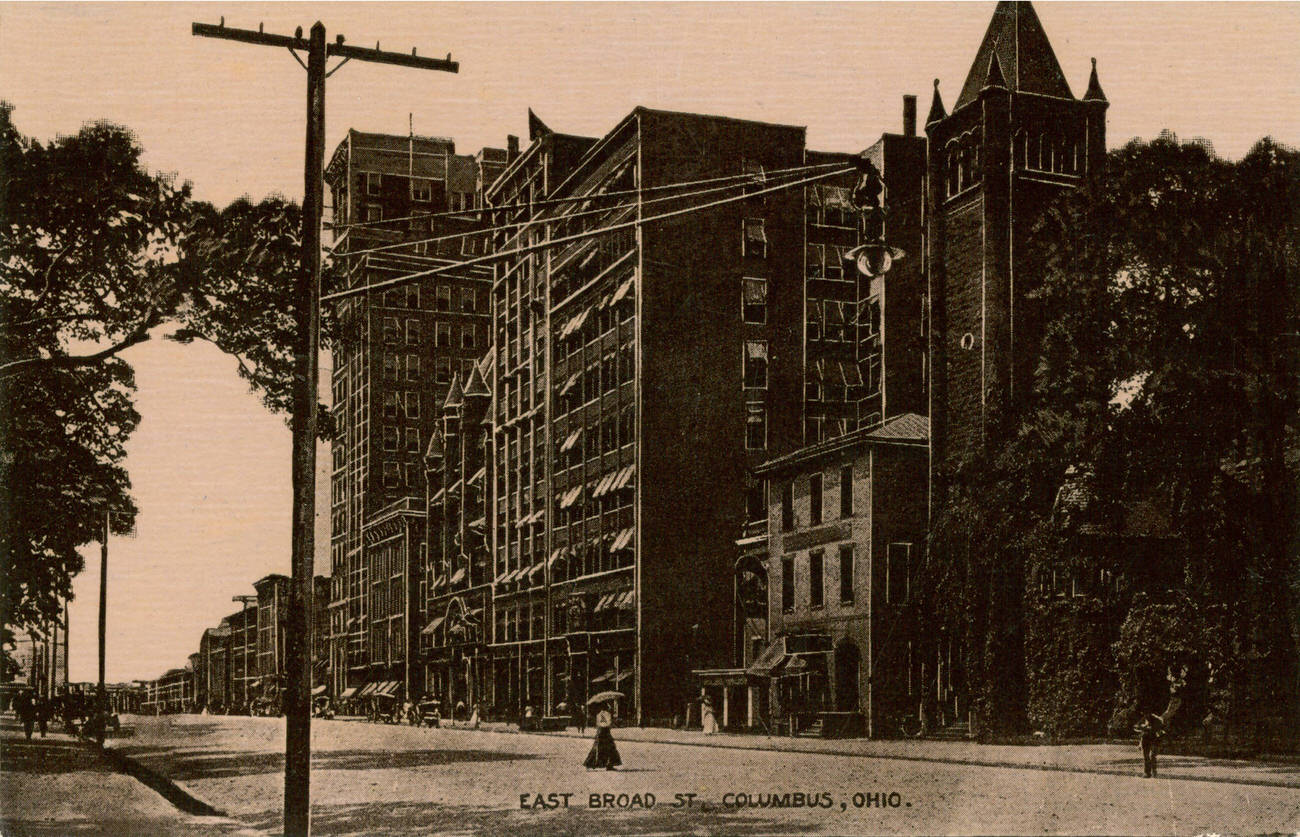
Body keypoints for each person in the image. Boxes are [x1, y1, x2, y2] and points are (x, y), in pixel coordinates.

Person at [583, 702, 621, 770]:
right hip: (606, 731)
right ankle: (609, 764)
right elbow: (609, 723)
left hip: (599, 732)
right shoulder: (608, 714)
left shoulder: (599, 714)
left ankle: (589, 763)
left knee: (597, 748)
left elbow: (597, 723)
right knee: (610, 748)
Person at [1135, 713, 1165, 778]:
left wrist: (1145, 727)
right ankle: (1147, 772)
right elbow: (1136, 727)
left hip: (1154, 739)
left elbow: (1161, 731)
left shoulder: (1158, 720)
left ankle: (1153, 771)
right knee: (1146, 756)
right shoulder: (1144, 718)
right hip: (1146, 738)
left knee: (1152, 756)